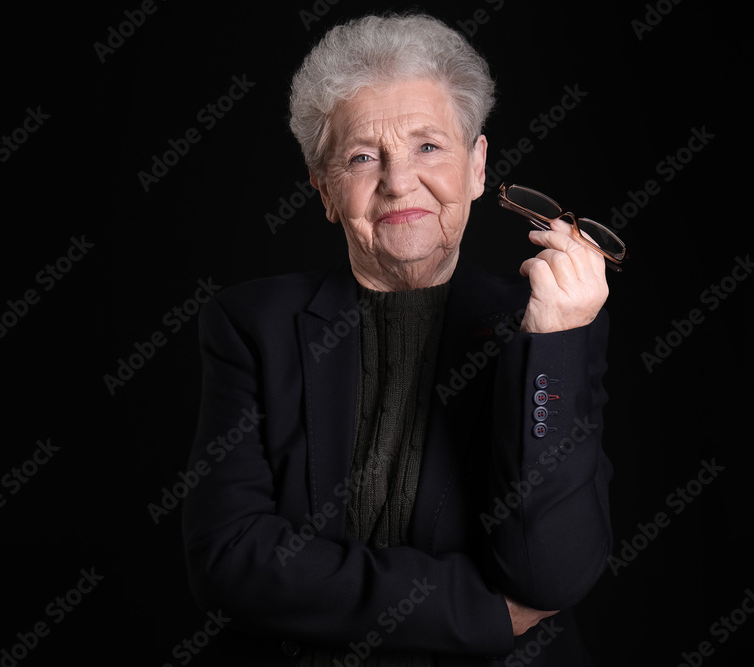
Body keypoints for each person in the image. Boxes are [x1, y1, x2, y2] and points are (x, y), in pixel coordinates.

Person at [182, 12, 613, 666]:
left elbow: (551, 574)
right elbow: (231, 558)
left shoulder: (547, 318)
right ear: (326, 191)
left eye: (428, 146)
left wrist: (551, 346)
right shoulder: (249, 323)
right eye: (361, 157)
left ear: (477, 167)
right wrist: (482, 612)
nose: (398, 180)